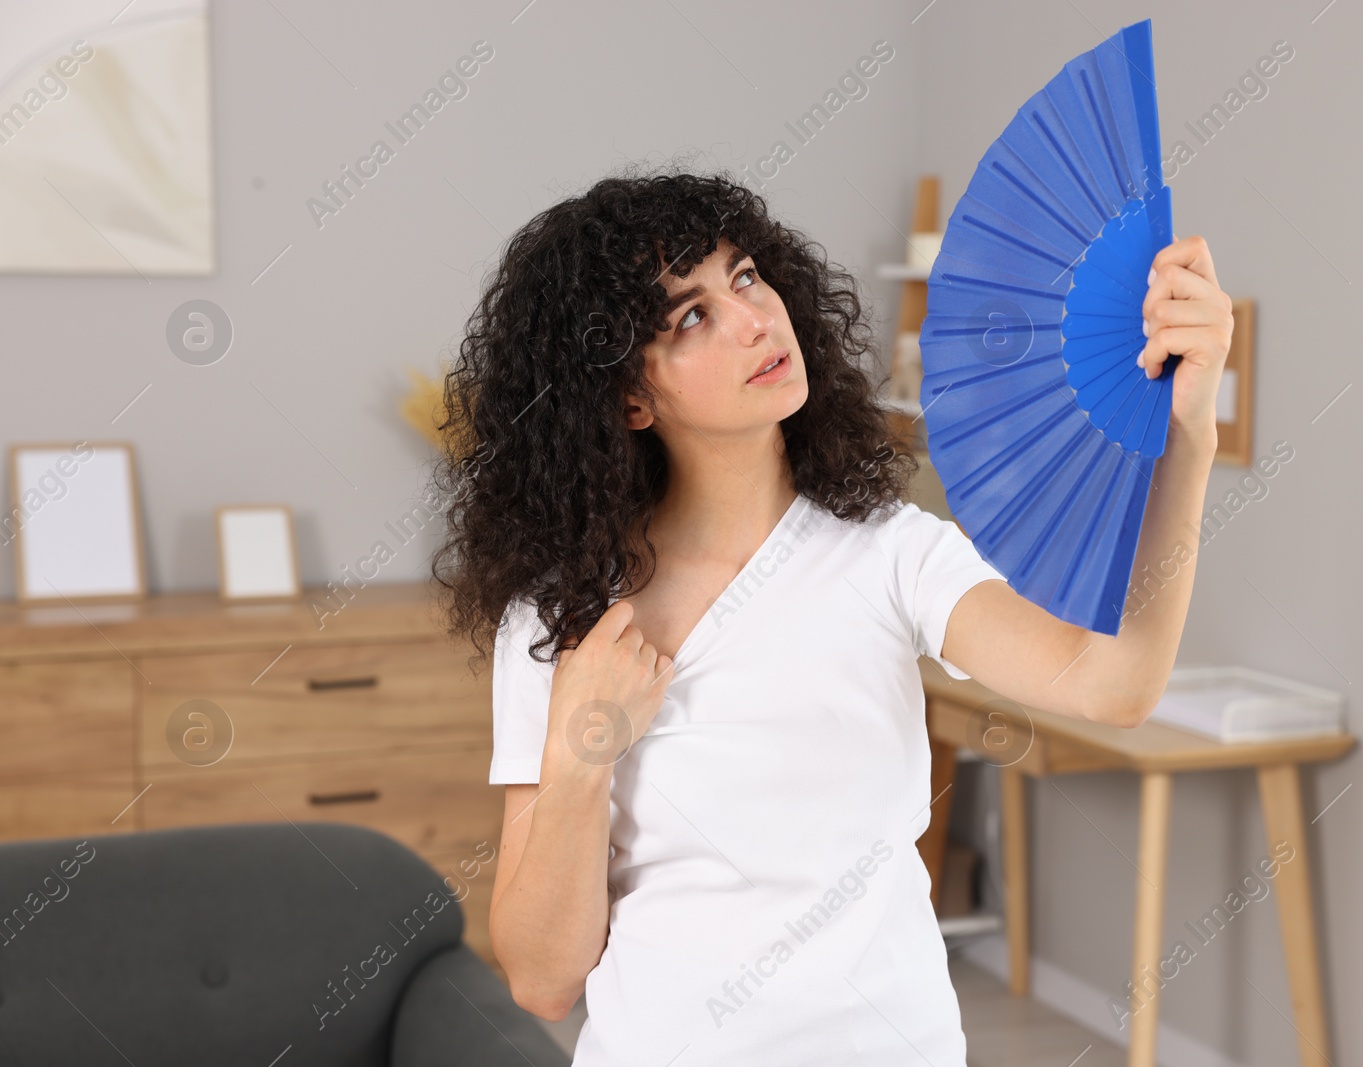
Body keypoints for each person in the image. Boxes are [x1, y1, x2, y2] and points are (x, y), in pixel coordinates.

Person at [428, 167, 1232, 1066]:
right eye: (691, 316)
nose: (753, 319)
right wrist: (581, 751)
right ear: (629, 397)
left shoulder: (894, 553)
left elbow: (1112, 681)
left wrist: (1188, 438)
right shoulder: (564, 614)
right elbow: (542, 978)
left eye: (744, 277)